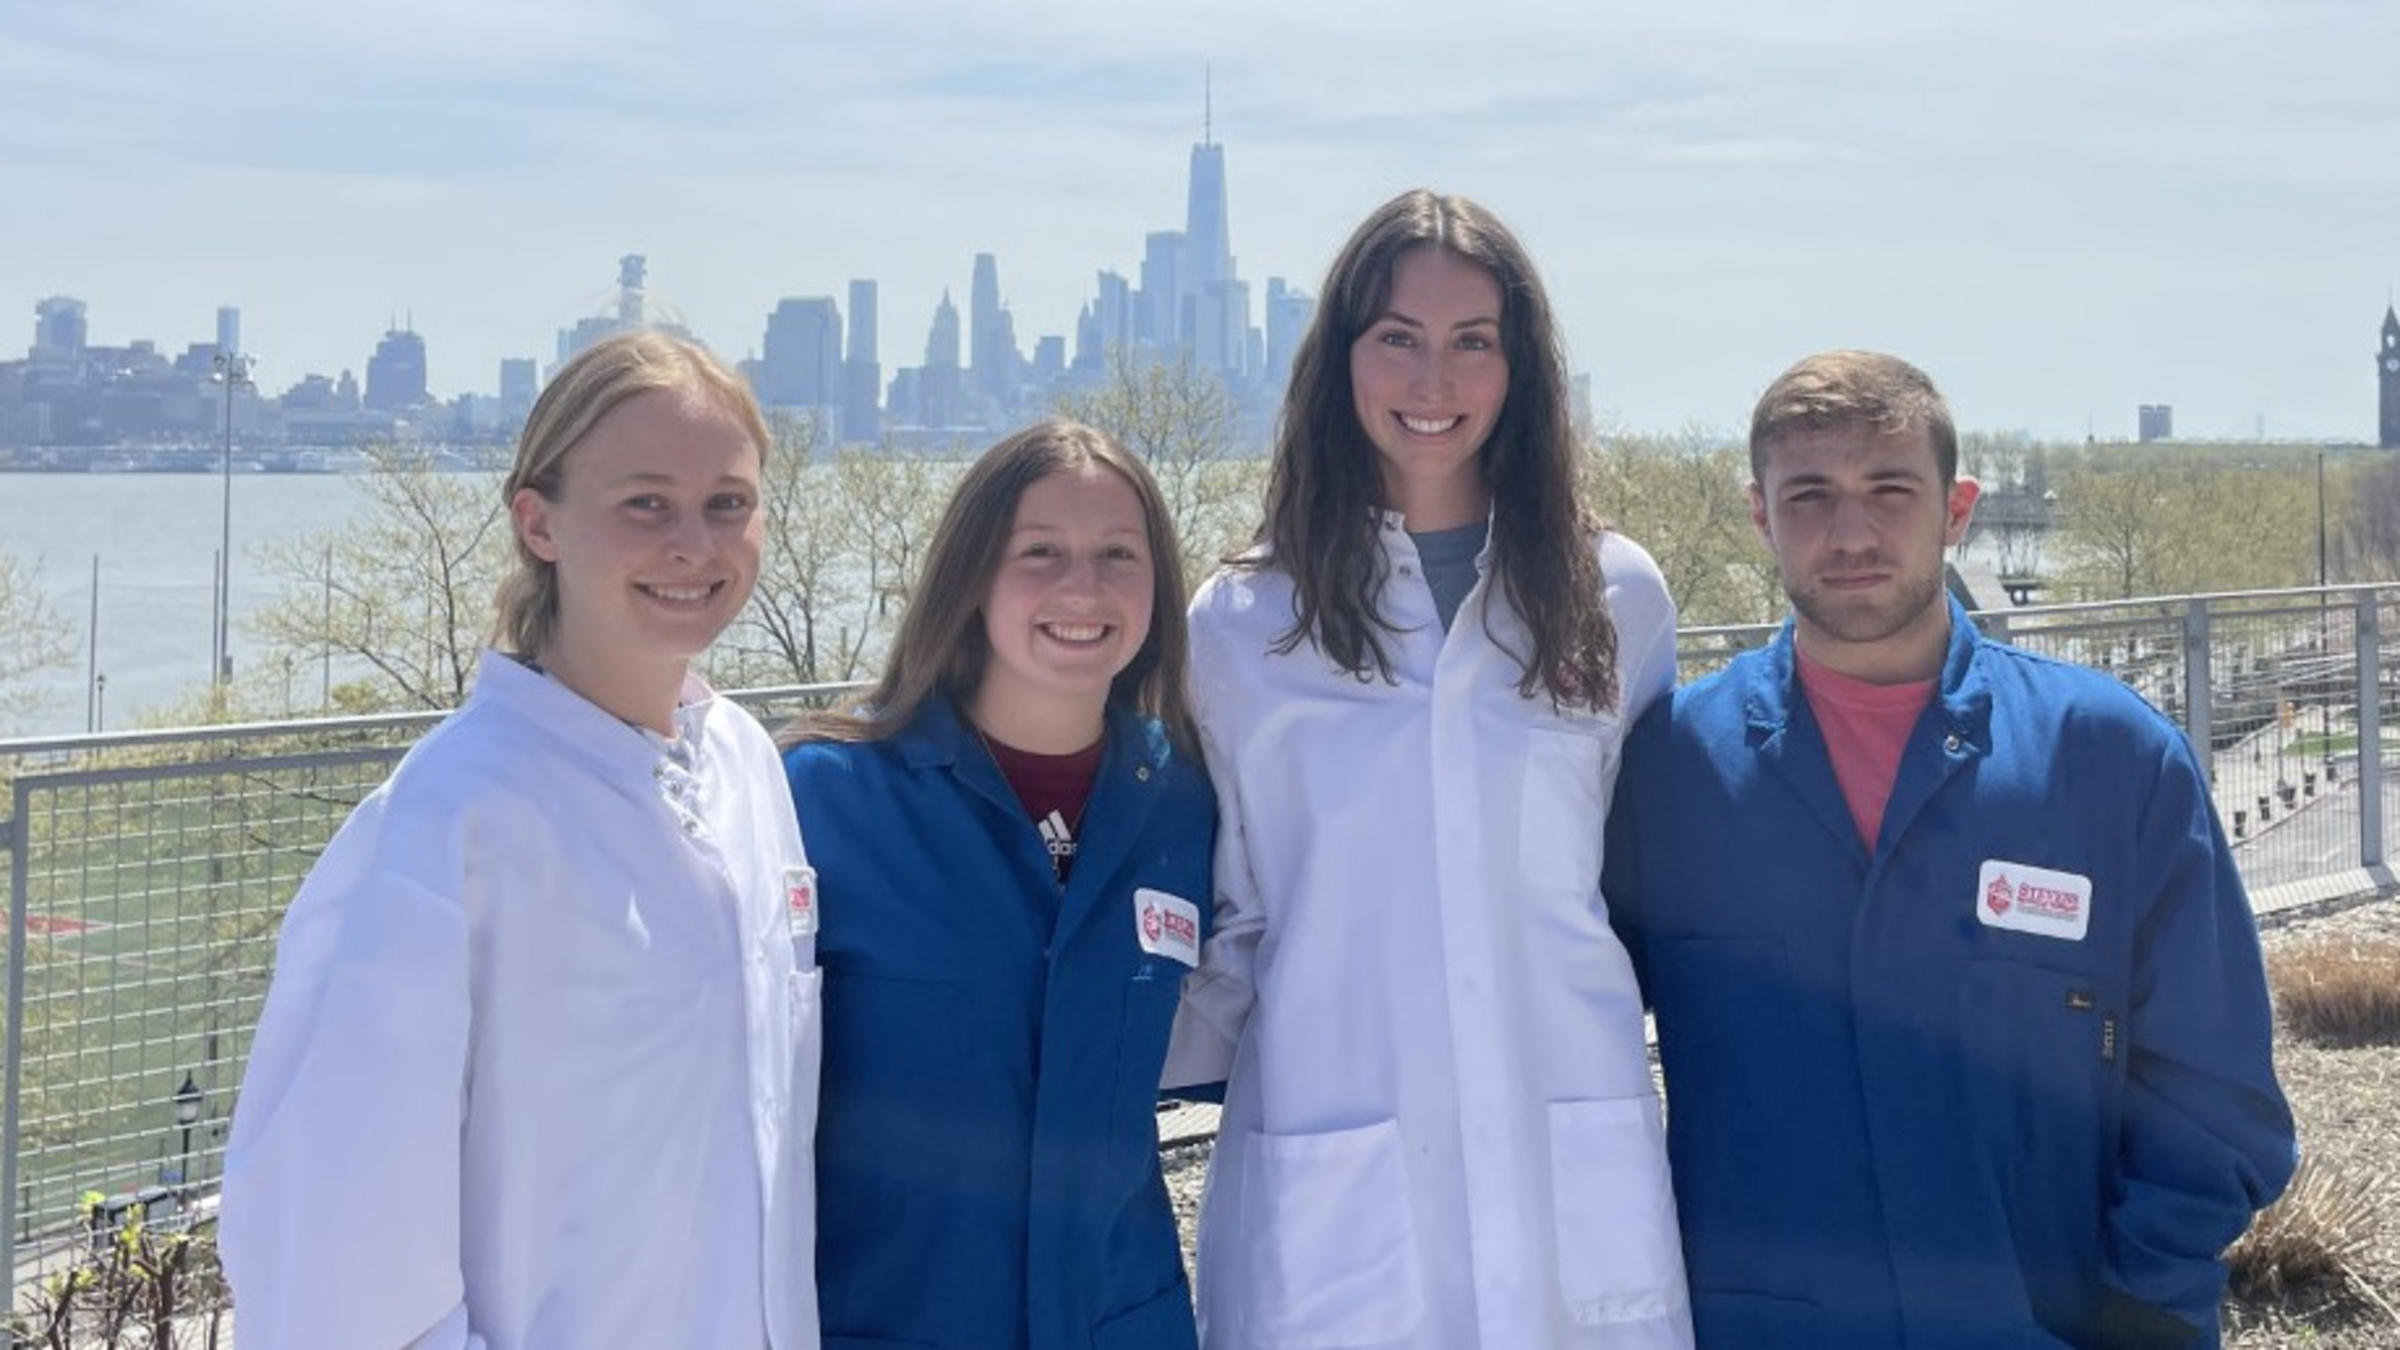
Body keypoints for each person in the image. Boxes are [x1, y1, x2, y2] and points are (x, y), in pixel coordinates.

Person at [1603, 350, 2296, 1349]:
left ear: (1957, 506)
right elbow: (1562, 1045)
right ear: (1760, 514)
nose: (1852, 532)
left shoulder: (2105, 758)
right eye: (1810, 496)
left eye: (1890, 488)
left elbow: (2213, 1080)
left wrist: (2141, 1308)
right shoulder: (1669, 773)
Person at [220, 331, 822, 1350]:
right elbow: (331, 1258)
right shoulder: (445, 823)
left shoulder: (749, 769)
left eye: (728, 502)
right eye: (645, 503)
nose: (696, 543)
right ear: (537, 522)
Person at [1164, 189, 1693, 1349]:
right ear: (1340, 360)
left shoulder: (1619, 598)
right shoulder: (1243, 623)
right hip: (1330, 1176)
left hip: (1573, 1161)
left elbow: (1648, 891)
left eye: (1472, 343)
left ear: (1522, 370)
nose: (1433, 382)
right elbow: (1233, 915)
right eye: (1397, 338)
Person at [782, 418, 1214, 1349]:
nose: (1082, 588)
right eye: (1040, 552)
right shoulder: (823, 801)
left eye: (1116, 555)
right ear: (972, 574)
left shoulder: (1187, 804)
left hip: (1120, 1322)